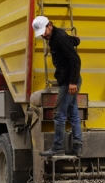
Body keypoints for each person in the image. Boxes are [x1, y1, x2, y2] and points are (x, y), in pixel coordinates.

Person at [32, 16, 82, 157]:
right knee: (72, 113)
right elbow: (72, 41)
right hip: (68, 80)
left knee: (59, 114)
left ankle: (58, 148)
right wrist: (76, 40)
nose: (43, 34)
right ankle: (77, 147)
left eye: (44, 31)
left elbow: (75, 60)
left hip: (69, 82)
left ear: (50, 25)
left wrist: (72, 82)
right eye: (41, 33)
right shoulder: (57, 37)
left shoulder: (60, 38)